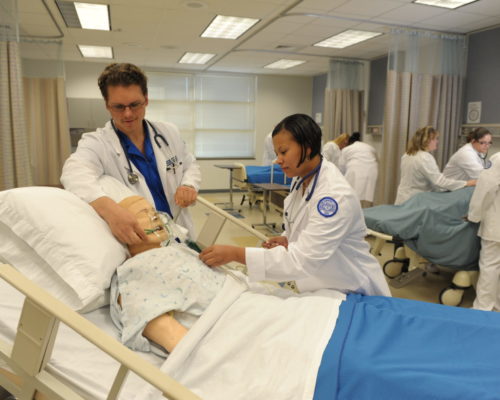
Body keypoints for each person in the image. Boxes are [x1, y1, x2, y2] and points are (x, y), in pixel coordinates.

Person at [199, 114, 391, 297]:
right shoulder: (300, 180)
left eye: (283, 152)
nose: (277, 160)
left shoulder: (333, 197)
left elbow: (301, 261)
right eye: (276, 153)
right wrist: (288, 239)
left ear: (307, 148)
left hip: (352, 287)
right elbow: (303, 224)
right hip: (321, 283)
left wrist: (236, 253)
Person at [61, 63, 201, 243]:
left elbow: (189, 164)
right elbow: (74, 173)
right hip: (141, 237)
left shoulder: (168, 132)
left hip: (179, 226)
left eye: (135, 105)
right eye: (119, 106)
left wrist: (189, 185)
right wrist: (109, 210)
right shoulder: (97, 143)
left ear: (146, 100)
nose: (128, 114)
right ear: (107, 106)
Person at [110, 194, 226, 355]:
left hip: (242, 301)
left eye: (153, 212)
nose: (156, 218)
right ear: (123, 229)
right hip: (226, 324)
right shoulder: (133, 272)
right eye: (144, 214)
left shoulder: (179, 249)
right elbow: (175, 339)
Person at [394, 126, 476, 205]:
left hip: (403, 198)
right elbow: (439, 182)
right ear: (427, 140)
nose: (437, 141)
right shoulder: (425, 157)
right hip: (415, 201)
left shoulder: (407, 155)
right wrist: (466, 183)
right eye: (435, 139)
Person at [468, 152, 500, 311]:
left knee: (490, 266)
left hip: (496, 226)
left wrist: (474, 215)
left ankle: (484, 308)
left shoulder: (498, 159)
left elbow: (485, 189)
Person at [339, 132, 378, 207]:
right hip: (372, 170)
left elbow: (341, 168)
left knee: (352, 195)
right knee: (368, 195)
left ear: (349, 143)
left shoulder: (346, 149)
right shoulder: (369, 147)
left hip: (355, 170)